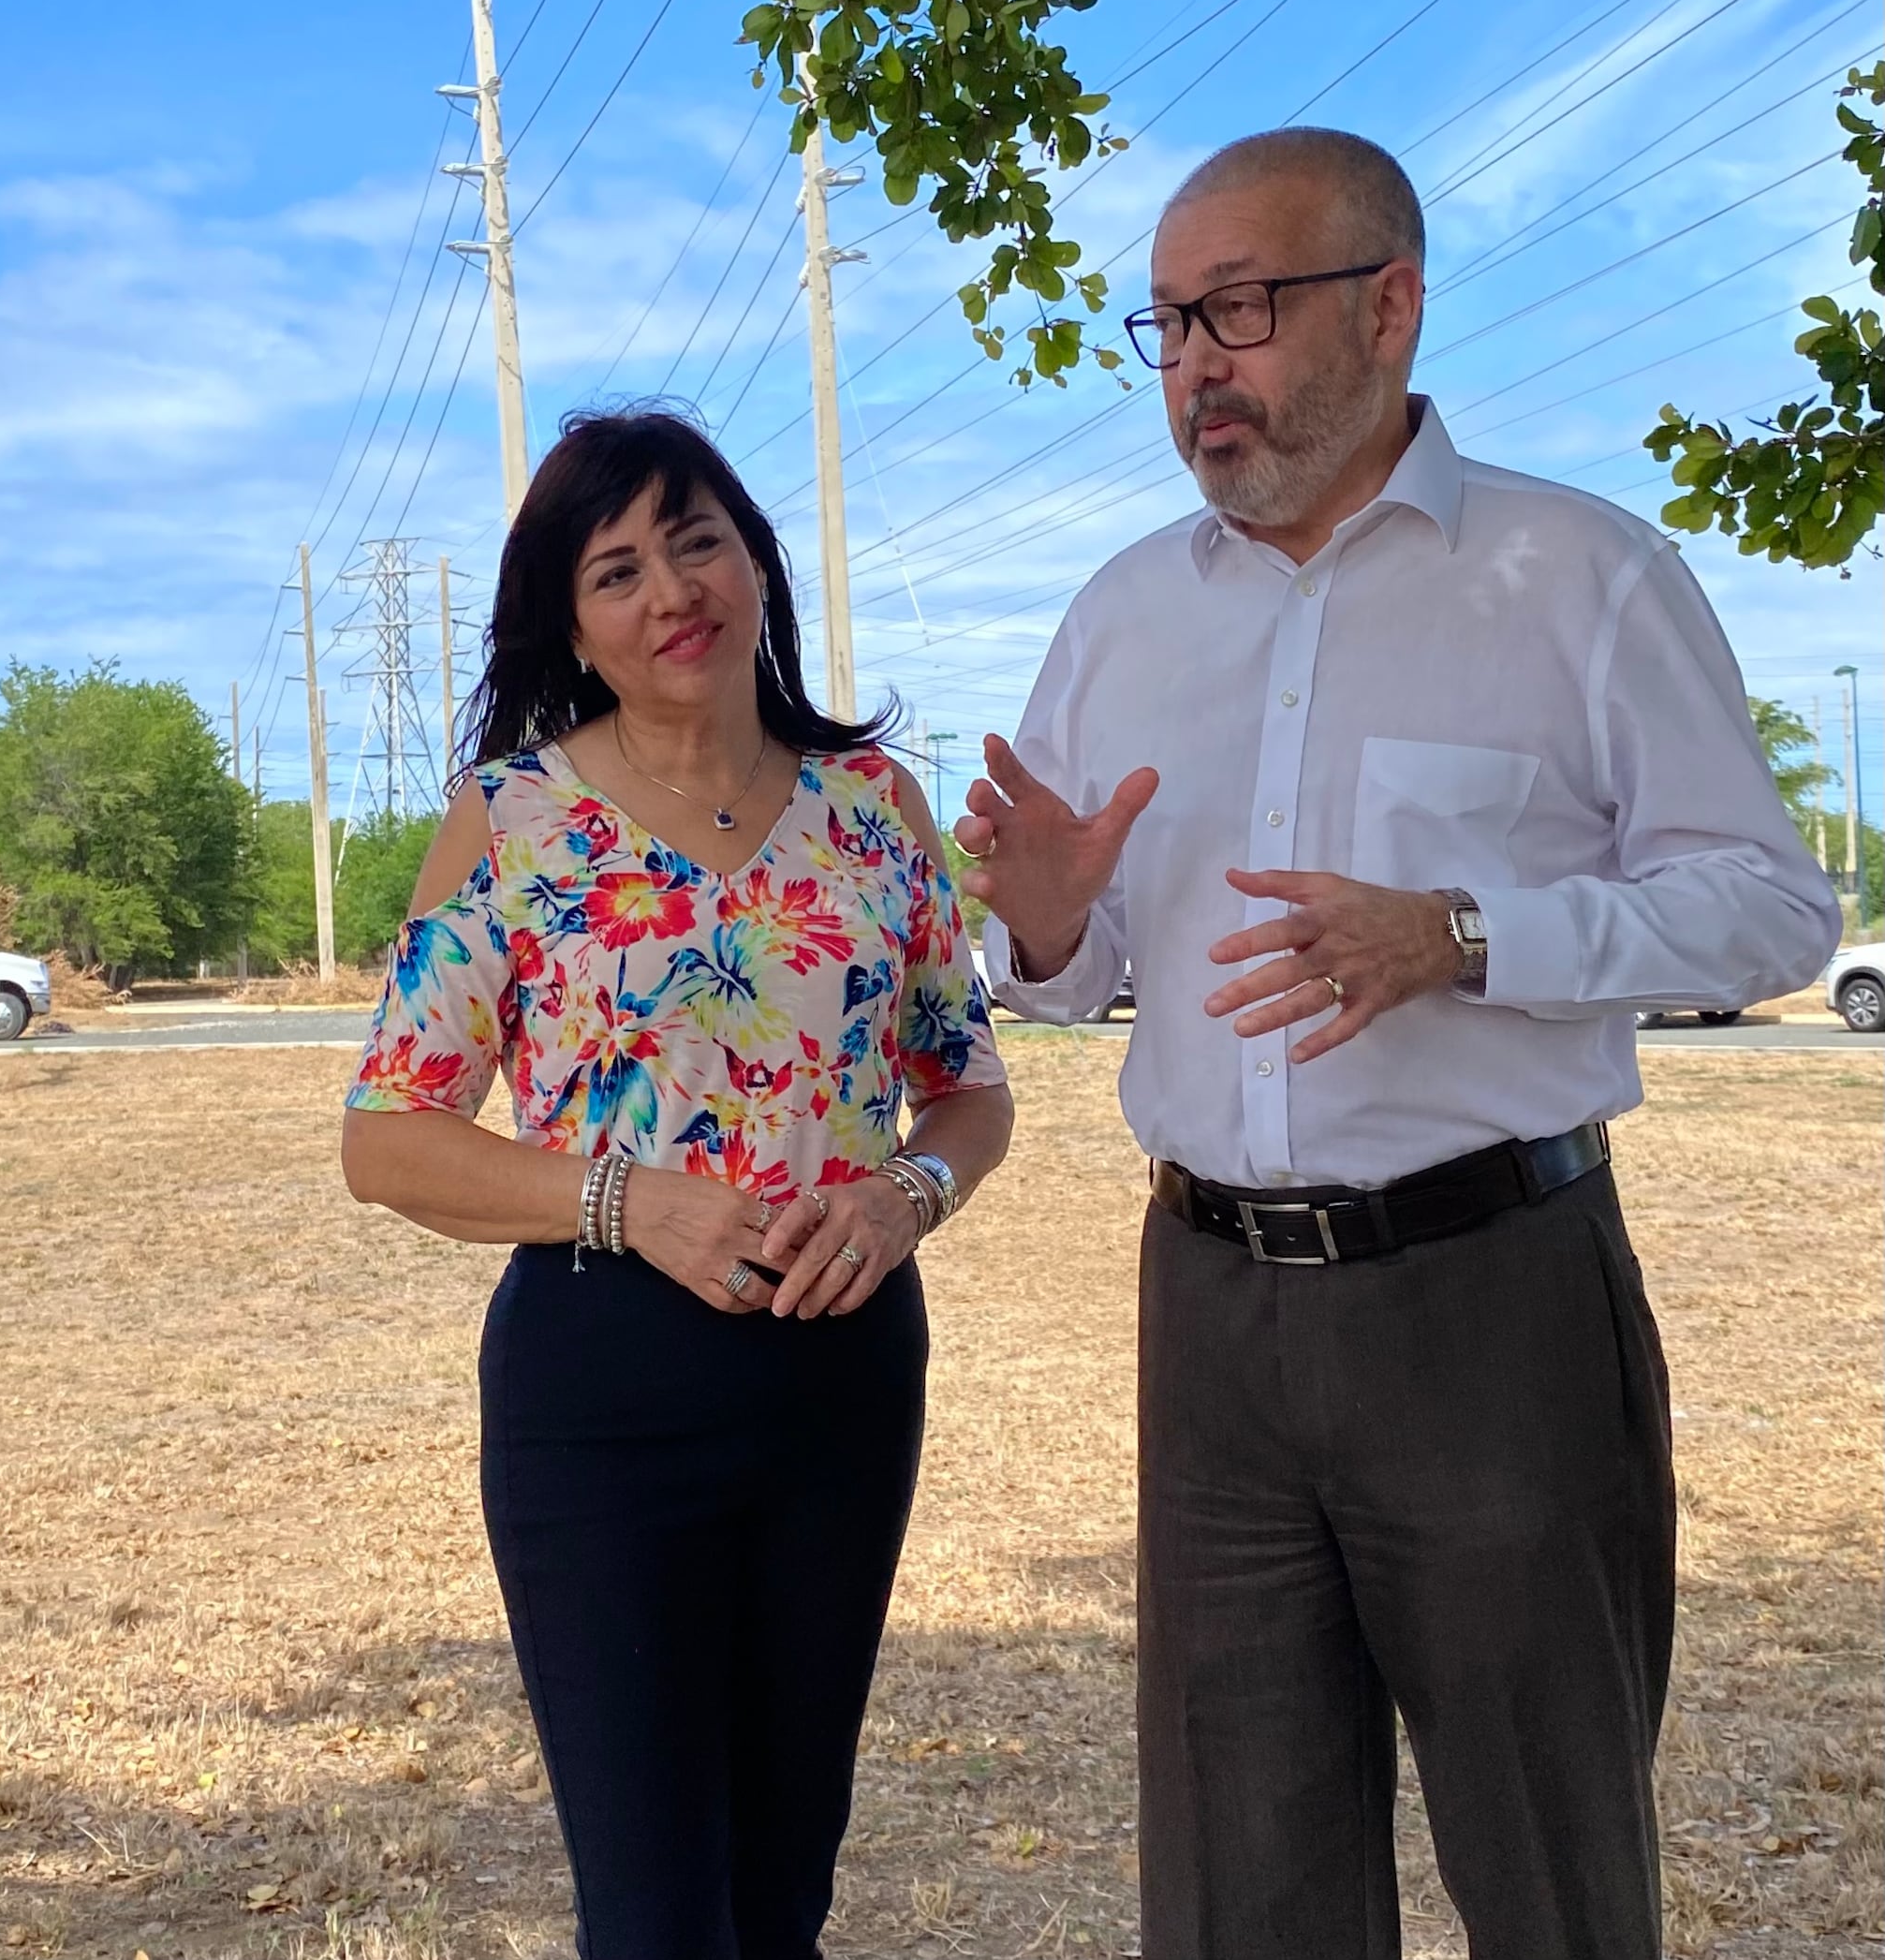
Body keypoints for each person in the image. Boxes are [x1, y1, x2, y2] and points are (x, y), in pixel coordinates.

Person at [953, 128, 1840, 1960]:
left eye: (1239, 309)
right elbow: (1060, 968)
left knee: (1550, 1862)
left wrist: (1464, 935)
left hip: (1489, 1295)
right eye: (1169, 322)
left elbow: (1766, 911)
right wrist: (1041, 918)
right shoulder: (1122, 611)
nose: (1196, 360)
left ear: (1388, 302)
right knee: (1236, 1874)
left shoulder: (1577, 574)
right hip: (1207, 1308)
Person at [342, 405, 1014, 1958]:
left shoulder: (875, 808)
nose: (671, 592)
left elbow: (966, 1092)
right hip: (603, 1394)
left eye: (696, 539)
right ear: (570, 623)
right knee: (654, 1914)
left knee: (783, 1889)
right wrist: (629, 1199)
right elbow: (387, 1137)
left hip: (844, 1380)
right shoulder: (511, 821)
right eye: (617, 568)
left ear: (757, 562)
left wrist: (904, 1194)